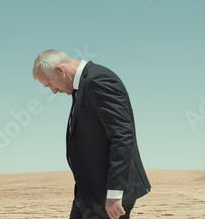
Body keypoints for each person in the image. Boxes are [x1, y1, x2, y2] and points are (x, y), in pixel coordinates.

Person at [32, 49, 151, 219]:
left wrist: (115, 193)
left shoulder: (98, 81)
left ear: (60, 70)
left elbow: (122, 137)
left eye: (49, 84)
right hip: (87, 192)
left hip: (106, 194)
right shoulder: (81, 87)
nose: (53, 91)